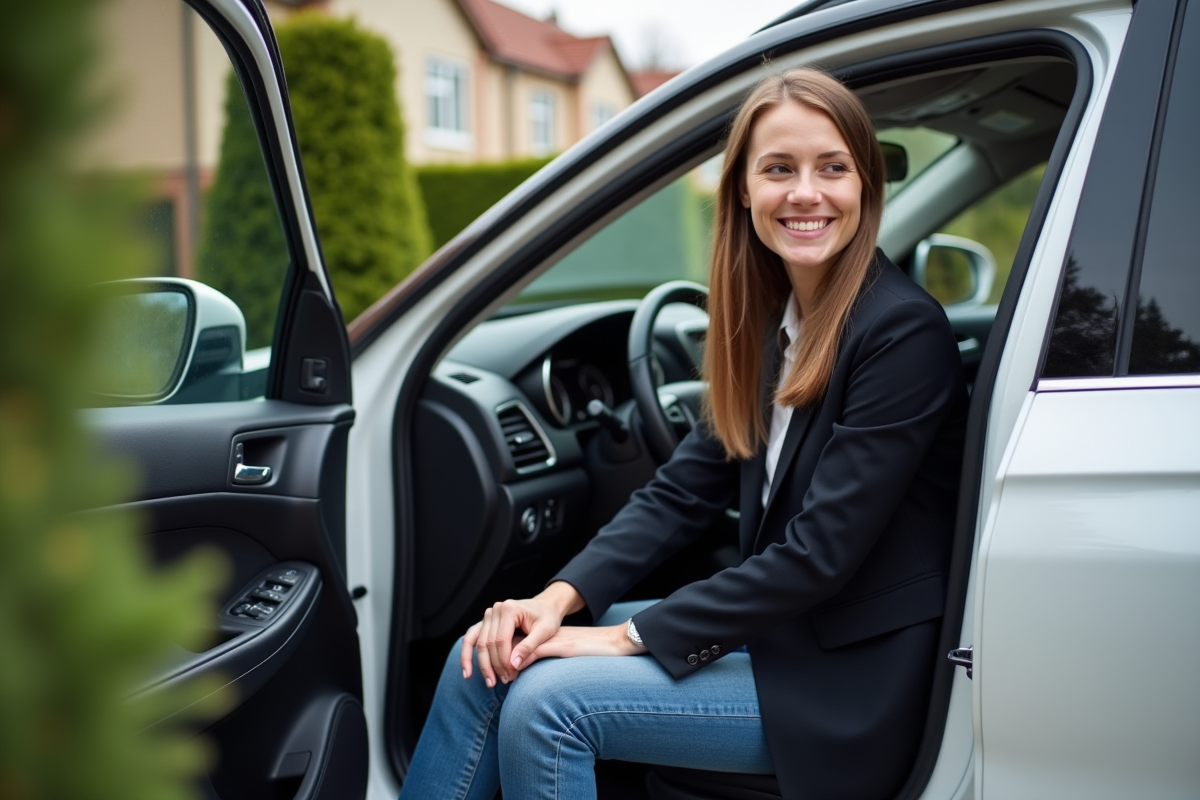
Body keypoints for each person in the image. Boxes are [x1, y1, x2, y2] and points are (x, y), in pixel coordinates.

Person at [399, 67, 968, 800]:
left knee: (548, 706)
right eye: (778, 169)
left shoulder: (900, 331)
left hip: (848, 680)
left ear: (866, 187)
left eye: (833, 168)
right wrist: (556, 601)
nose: (805, 192)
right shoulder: (776, 324)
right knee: (485, 657)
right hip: (783, 638)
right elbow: (678, 492)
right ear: (742, 190)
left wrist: (619, 637)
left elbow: (818, 557)